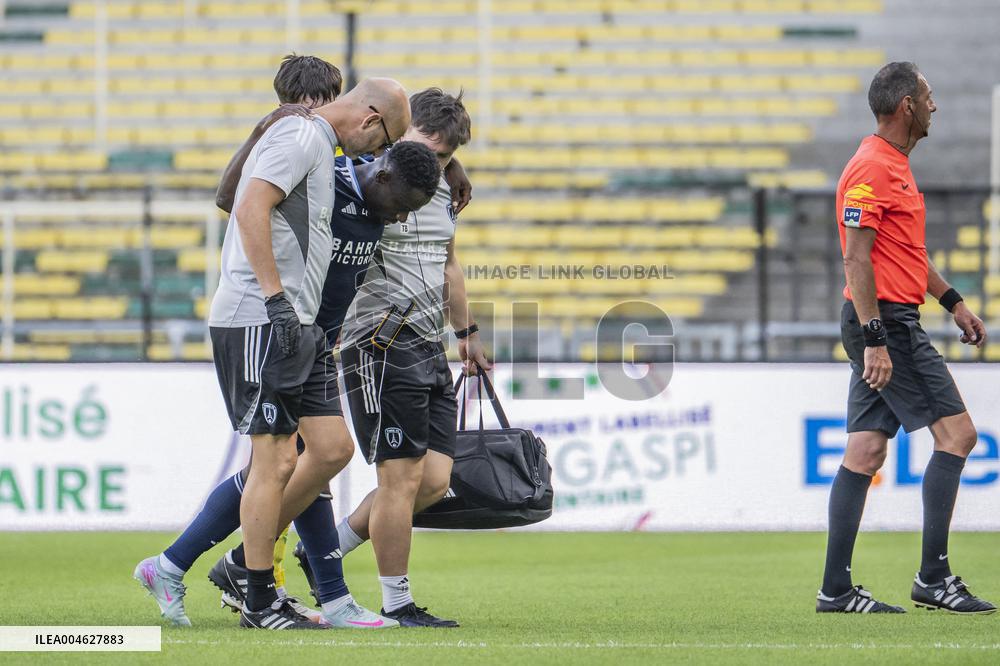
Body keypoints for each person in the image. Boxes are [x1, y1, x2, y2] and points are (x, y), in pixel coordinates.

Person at [135, 76, 411, 631]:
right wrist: (275, 298)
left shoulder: (318, 144)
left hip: (299, 323)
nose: (373, 158)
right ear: (369, 119)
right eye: (379, 146)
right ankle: (256, 595)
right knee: (277, 459)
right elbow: (249, 206)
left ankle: (212, 567)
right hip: (261, 316)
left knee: (330, 449)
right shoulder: (303, 136)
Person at [816, 62, 996, 615]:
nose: (935, 105)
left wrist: (953, 301)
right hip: (885, 325)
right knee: (958, 435)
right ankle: (933, 579)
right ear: (906, 107)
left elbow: (906, 257)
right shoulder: (871, 167)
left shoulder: (894, 165)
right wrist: (876, 337)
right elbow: (856, 256)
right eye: (928, 95)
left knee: (866, 449)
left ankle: (836, 590)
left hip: (885, 320)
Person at [332, 88, 491, 628]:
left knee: (434, 481)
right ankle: (397, 603)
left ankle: (322, 551)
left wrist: (467, 332)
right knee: (399, 480)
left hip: (429, 342)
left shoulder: (443, 187)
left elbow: (449, 264)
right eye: (433, 151)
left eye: (447, 157)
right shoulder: (366, 174)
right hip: (378, 338)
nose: (438, 165)